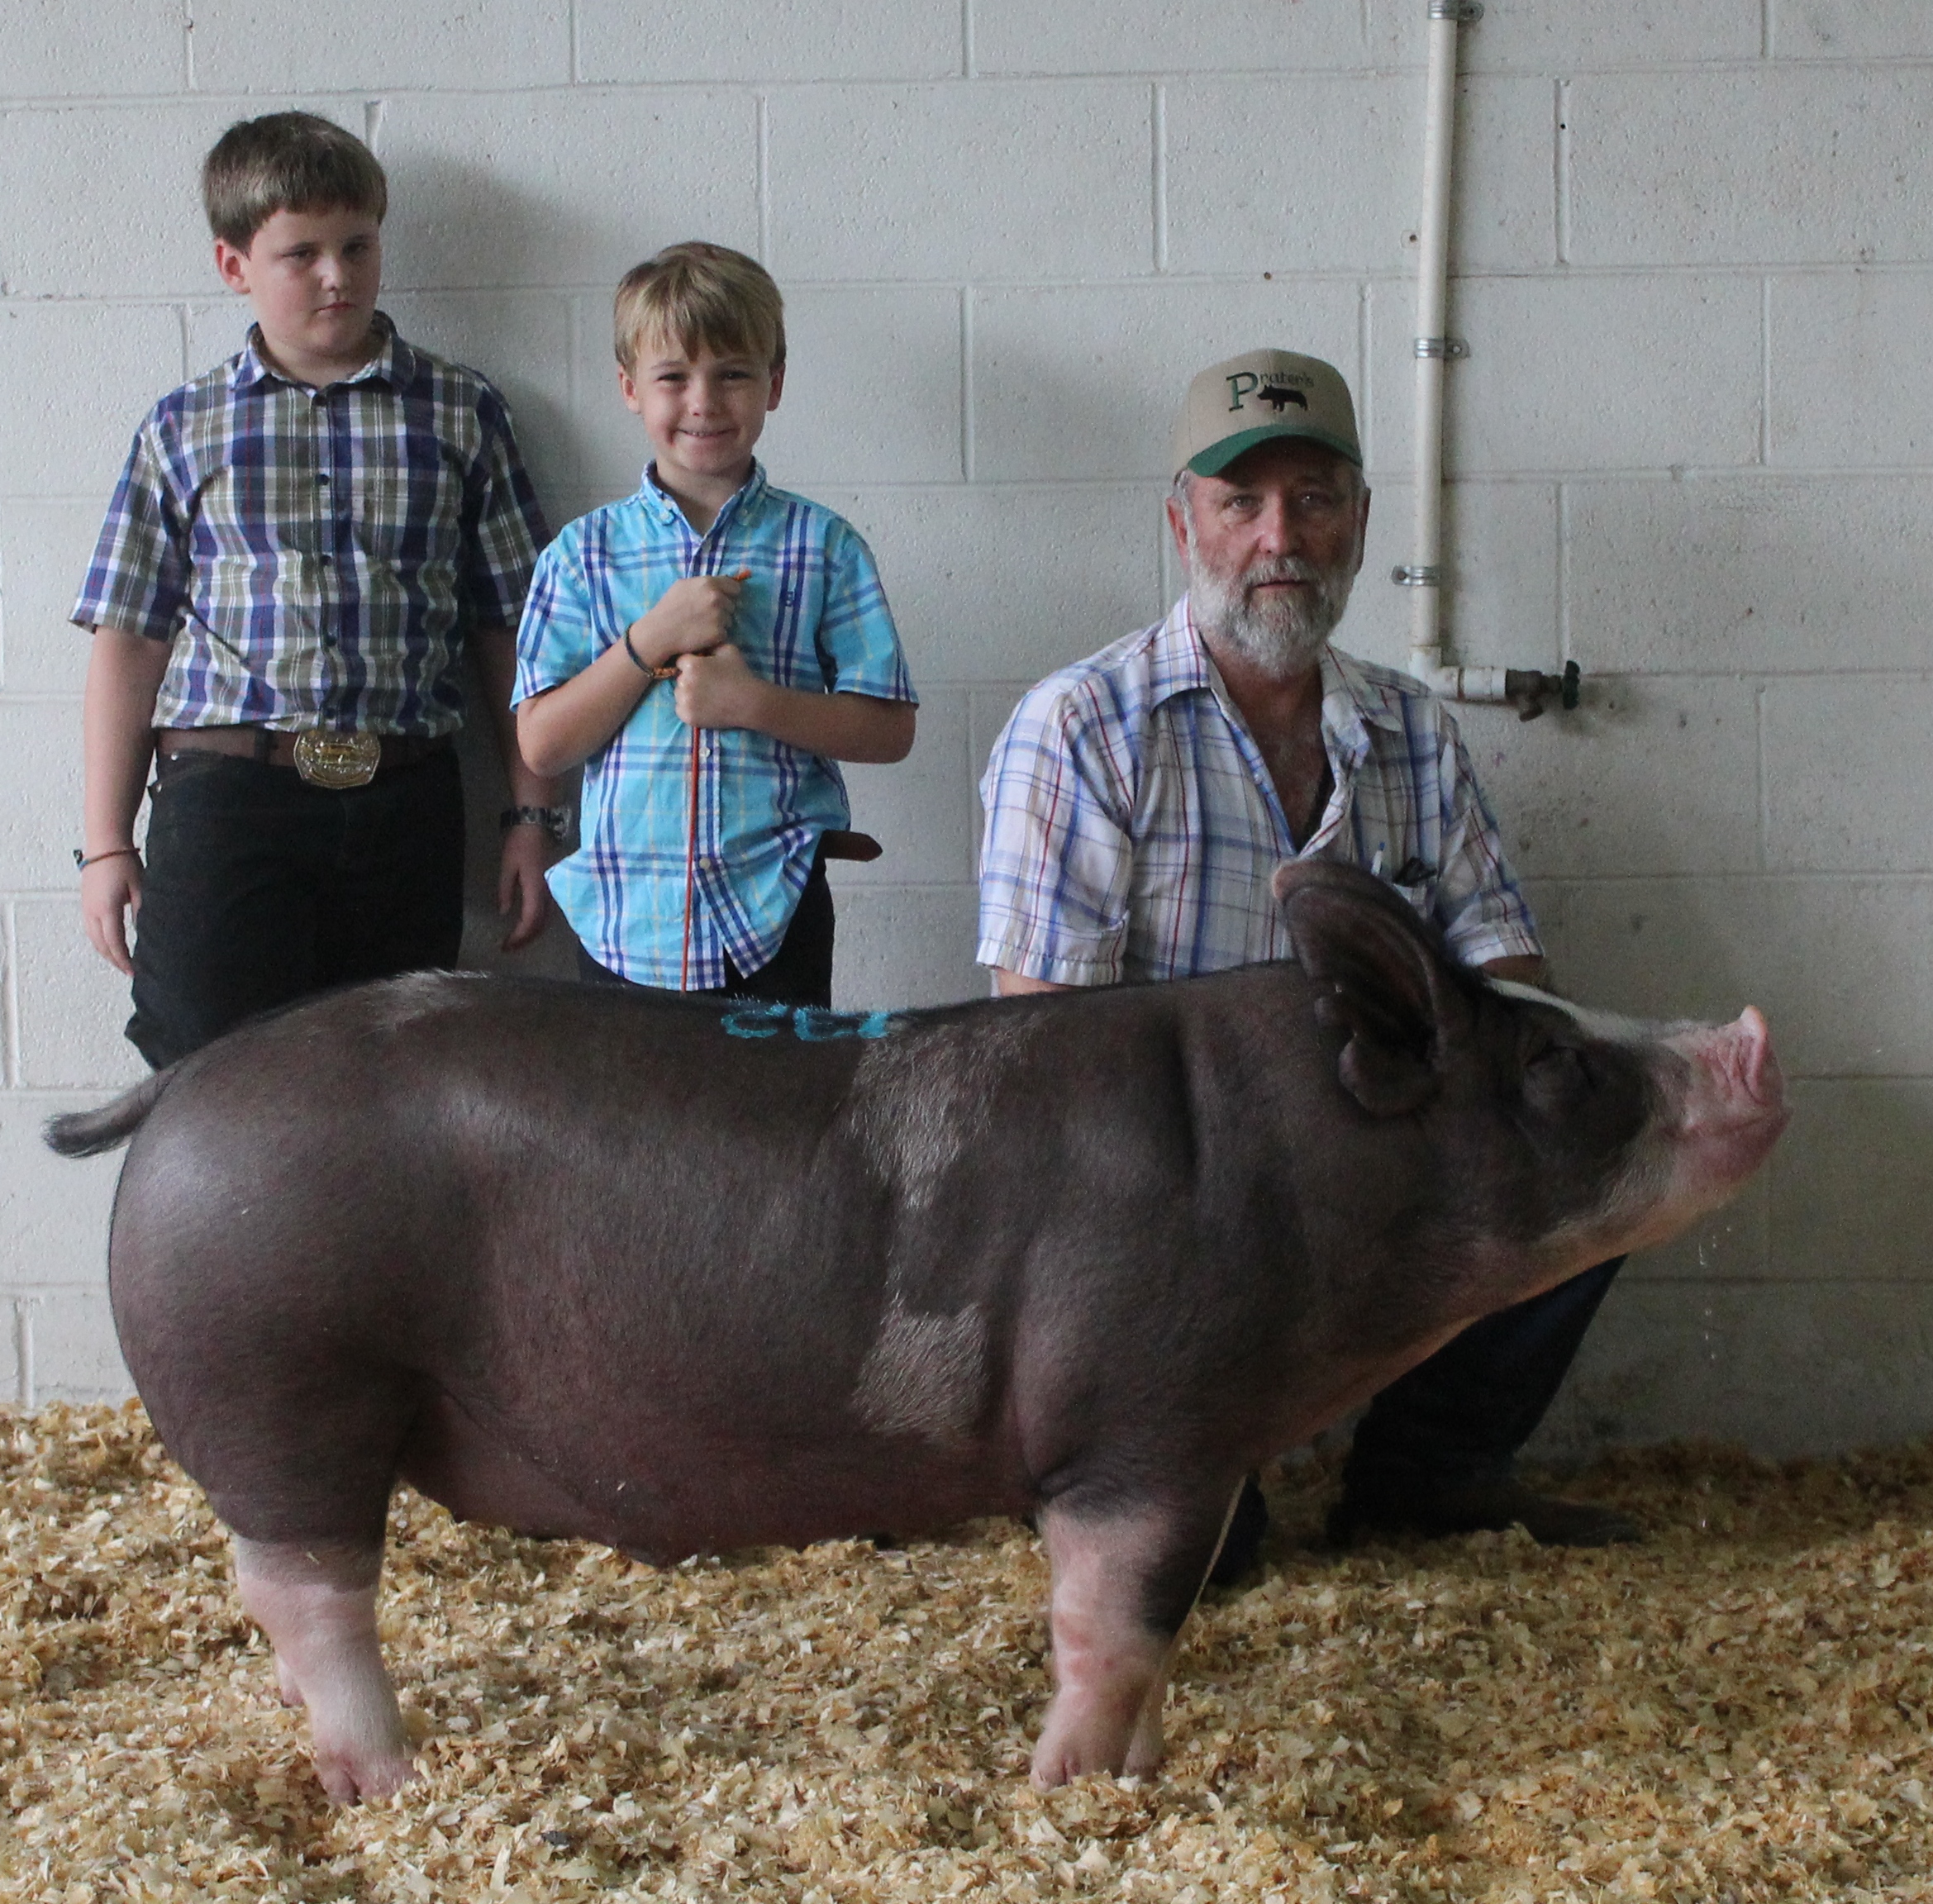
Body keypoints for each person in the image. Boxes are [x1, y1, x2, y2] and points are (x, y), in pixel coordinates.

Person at [977, 347, 1635, 1581]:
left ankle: (1429, 1474)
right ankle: (1140, 1460)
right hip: (1169, 1195)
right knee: (1213, 1565)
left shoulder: (1408, 731)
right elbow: (1044, 1056)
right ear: (1185, 523)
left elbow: (1514, 982)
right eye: (1242, 503)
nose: (1279, 537)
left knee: (1592, 1131)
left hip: (1368, 1157)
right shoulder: (1082, 726)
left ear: (1360, 523)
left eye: (1315, 500)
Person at [71, 112, 557, 1070]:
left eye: (357, 246)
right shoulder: (183, 429)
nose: (336, 274)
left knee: (388, 1084)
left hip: (406, 802)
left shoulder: (462, 411)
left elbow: (515, 632)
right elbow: (129, 642)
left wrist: (531, 817)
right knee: (201, 1070)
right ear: (233, 264)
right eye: (301, 254)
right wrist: (105, 844)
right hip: (231, 801)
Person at [513, 242, 916, 1008]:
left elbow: (889, 731)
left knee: (779, 1123)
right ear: (630, 389)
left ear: (775, 385)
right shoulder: (581, 555)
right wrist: (648, 641)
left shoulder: (826, 548)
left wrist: (751, 704)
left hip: (775, 914)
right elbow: (544, 743)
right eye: (673, 377)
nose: (703, 401)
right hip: (624, 924)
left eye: (733, 372)